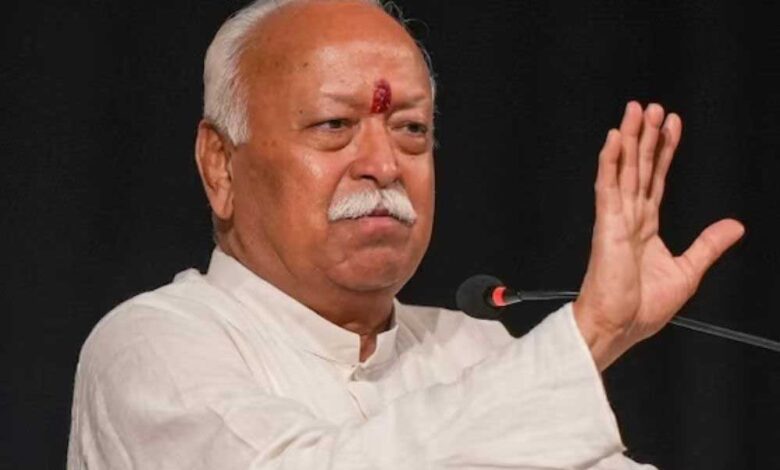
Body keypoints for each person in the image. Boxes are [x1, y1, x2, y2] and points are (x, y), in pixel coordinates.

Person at [66, 0, 745, 468]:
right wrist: (591, 334)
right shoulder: (152, 346)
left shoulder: (472, 347)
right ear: (220, 164)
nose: (385, 165)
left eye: (411, 129)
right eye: (334, 126)